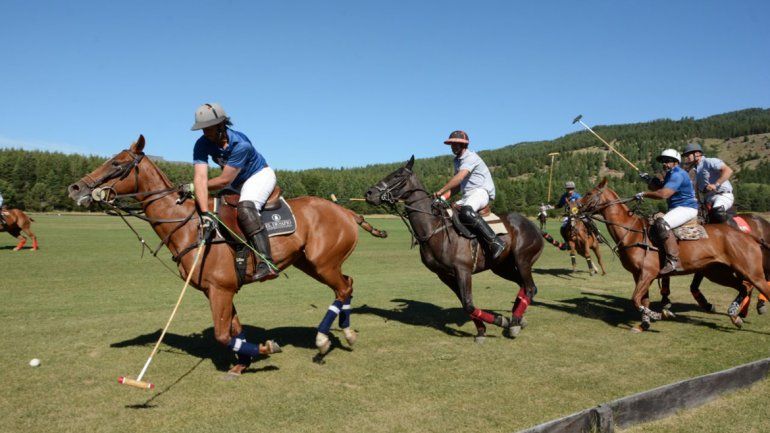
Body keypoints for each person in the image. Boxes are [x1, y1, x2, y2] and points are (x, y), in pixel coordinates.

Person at [189, 102, 278, 281]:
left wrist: (193, 186)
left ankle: (267, 263)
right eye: (202, 129)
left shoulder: (240, 144)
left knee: (245, 207)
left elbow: (224, 180)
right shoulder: (201, 143)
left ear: (221, 125)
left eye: (208, 128)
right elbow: (200, 178)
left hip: (259, 175)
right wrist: (205, 213)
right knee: (216, 206)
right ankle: (237, 252)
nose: (205, 132)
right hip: (238, 180)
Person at [434, 130, 506, 259]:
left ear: (463, 145)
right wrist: (442, 198)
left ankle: (495, 242)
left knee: (466, 211)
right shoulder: (457, 160)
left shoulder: (470, 157)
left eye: (456, 144)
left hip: (481, 191)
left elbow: (459, 178)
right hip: (468, 195)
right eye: (451, 144)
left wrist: (440, 190)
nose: (453, 146)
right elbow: (457, 187)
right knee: (443, 210)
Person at [637, 149, 699, 275]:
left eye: (668, 161)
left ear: (676, 162)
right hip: (677, 208)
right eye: (663, 162)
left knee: (662, 224)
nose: (665, 164)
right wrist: (649, 180)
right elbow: (660, 187)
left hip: (686, 208)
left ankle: (673, 261)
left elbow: (664, 194)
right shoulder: (670, 174)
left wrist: (644, 194)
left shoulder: (677, 174)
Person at [681, 143, 734, 223]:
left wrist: (715, 185)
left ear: (697, 154)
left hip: (722, 195)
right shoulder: (695, 170)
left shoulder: (709, 161)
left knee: (717, 212)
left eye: (688, 155)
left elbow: (728, 171)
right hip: (708, 200)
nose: (687, 158)